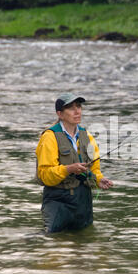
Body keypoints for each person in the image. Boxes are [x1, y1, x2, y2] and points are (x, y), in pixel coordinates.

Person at [35, 93, 113, 233]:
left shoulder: (87, 136)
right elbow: (44, 175)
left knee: (83, 245)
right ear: (60, 114)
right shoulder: (49, 137)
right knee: (51, 242)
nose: (77, 111)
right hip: (58, 201)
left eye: (78, 106)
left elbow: (94, 169)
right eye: (71, 108)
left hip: (83, 202)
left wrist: (99, 180)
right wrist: (68, 169)